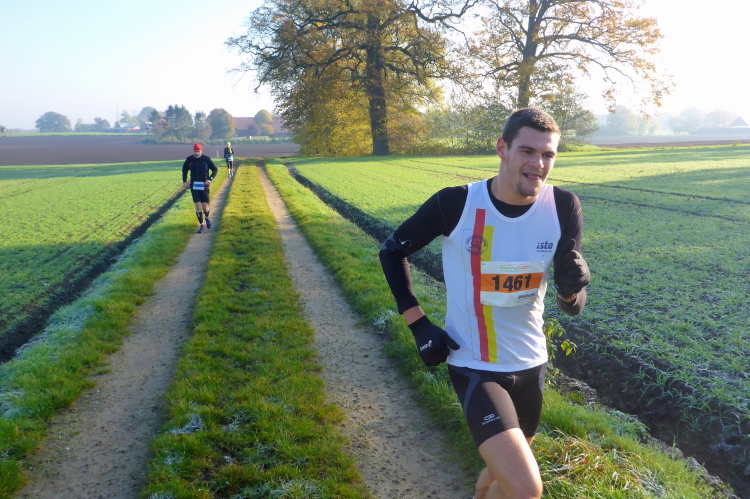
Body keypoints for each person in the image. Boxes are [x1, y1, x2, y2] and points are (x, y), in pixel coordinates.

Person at [379, 107, 590, 499]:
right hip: (476, 365)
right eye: (527, 151)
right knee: (526, 489)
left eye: (548, 154)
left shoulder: (563, 206)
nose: (539, 164)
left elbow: (572, 304)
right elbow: (392, 251)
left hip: (531, 363)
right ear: (502, 148)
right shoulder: (456, 203)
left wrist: (571, 289)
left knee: (500, 479)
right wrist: (418, 324)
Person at [182, 143, 218, 234]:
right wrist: (185, 181)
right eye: (195, 151)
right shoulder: (189, 159)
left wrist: (210, 179)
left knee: (205, 206)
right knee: (198, 205)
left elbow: (215, 170)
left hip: (204, 184)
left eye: (198, 151)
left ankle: (207, 217)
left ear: (201, 151)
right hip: (194, 185)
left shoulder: (206, 159)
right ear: (193, 151)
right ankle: (202, 225)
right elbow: (184, 170)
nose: (197, 153)